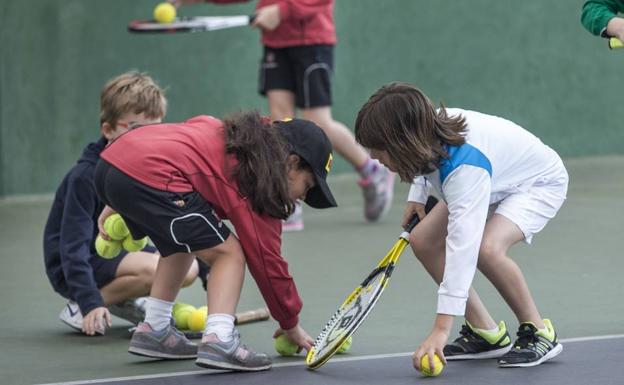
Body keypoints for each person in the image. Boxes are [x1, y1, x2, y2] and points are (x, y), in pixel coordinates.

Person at [94, 111, 337, 371]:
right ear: (290, 163)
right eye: (307, 186)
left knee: (187, 239)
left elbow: (172, 141)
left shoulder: (225, 133)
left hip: (112, 163)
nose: (302, 197)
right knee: (229, 254)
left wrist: (115, 194)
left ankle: (155, 329)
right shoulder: (260, 185)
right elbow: (269, 265)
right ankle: (220, 339)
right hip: (149, 174)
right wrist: (291, 324)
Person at [354, 82, 569, 369]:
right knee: (423, 241)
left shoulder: (465, 170)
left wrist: (441, 329)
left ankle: (539, 331)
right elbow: (425, 161)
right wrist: (417, 196)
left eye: (379, 149)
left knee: (486, 249)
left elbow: (461, 251)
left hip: (536, 184)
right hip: (492, 179)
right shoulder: (427, 128)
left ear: (403, 142)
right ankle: (485, 332)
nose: (372, 157)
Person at [172, 0, 395, 230]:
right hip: (276, 42)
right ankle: (288, 199)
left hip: (312, 41)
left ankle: (372, 170)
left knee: (318, 122)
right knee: (280, 123)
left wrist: (282, 10)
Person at [43, 71, 203, 336]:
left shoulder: (148, 167)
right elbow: (72, 247)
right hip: (73, 263)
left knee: (189, 267)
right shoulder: (84, 177)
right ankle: (83, 306)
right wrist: (89, 299)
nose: (146, 139)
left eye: (155, 129)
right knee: (155, 269)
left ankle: (124, 299)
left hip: (117, 252)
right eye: (136, 129)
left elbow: (176, 224)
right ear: (108, 130)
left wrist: (212, 277)